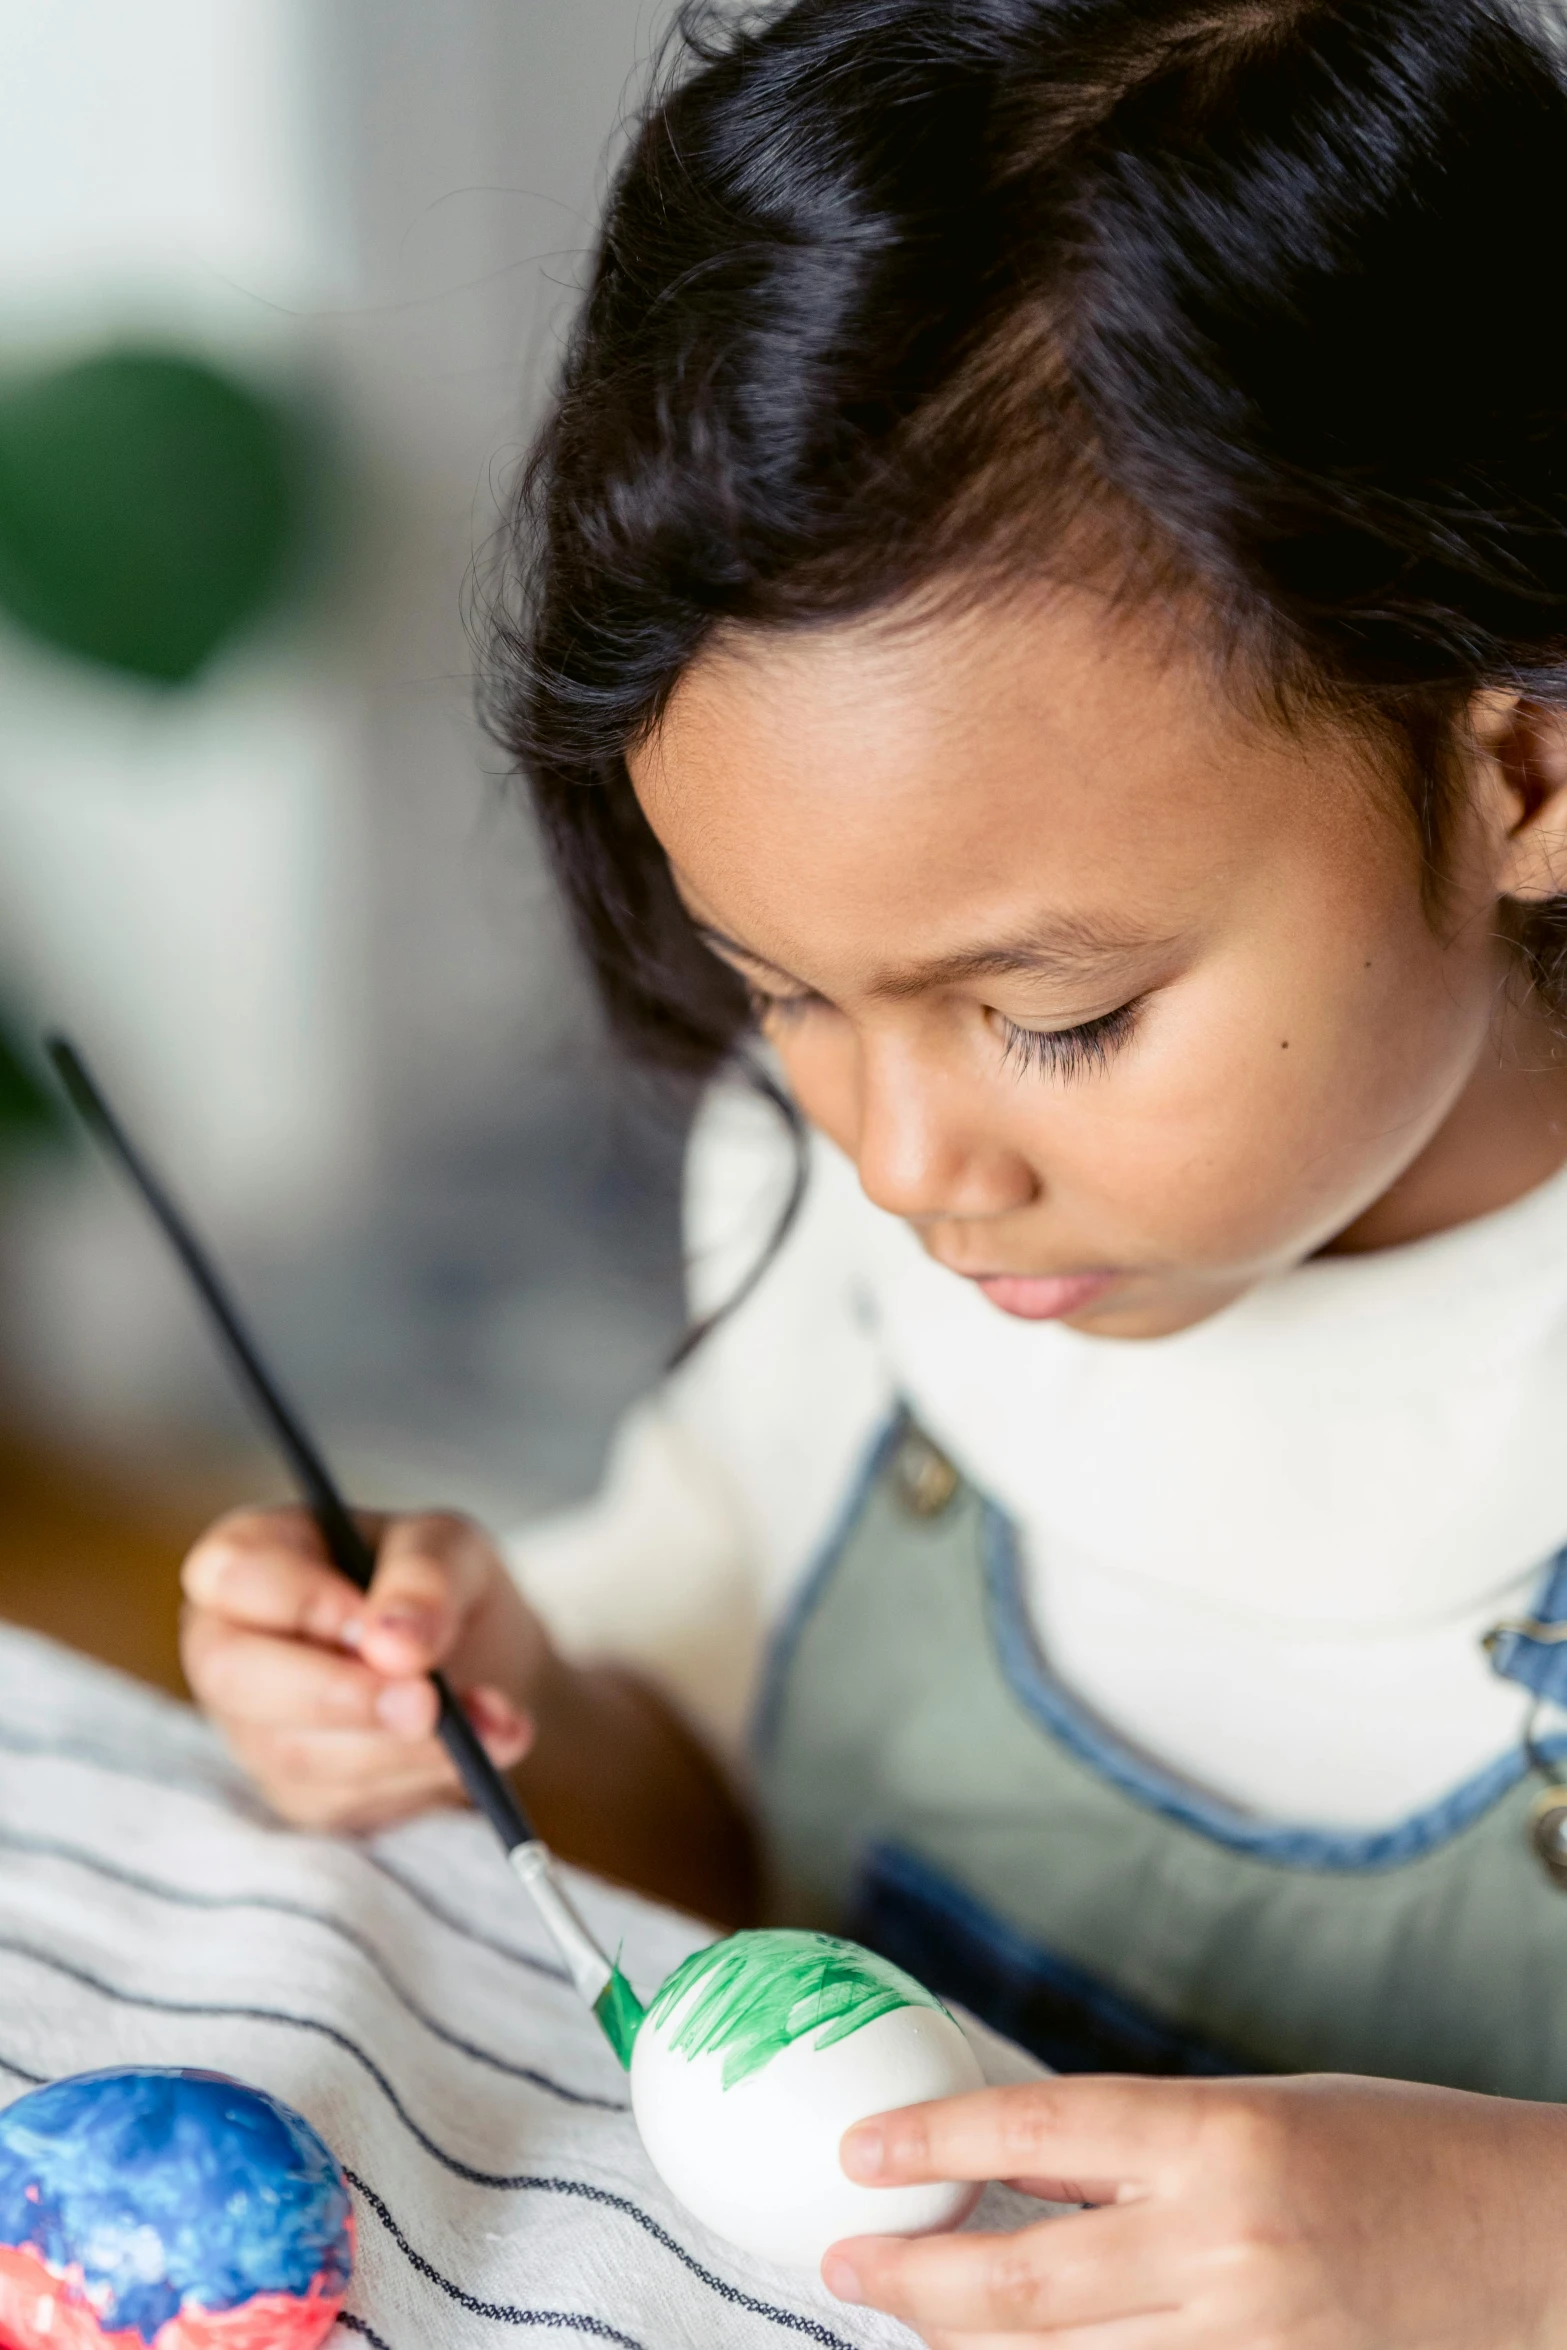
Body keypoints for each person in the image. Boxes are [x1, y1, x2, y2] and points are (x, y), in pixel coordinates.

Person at [179, 0, 1567, 2338]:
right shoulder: (846, 1206)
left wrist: (1506, 2245)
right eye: (784, 987)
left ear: (1519, 769)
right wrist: (489, 1725)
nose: (907, 1159)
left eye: (1055, 1014)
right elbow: (714, 1833)